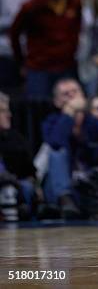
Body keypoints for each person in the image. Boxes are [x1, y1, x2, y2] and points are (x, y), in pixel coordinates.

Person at [42, 79, 98, 219]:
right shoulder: (51, 123)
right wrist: (68, 114)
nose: (71, 97)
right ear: (57, 101)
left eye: (75, 92)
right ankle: (66, 202)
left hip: (91, 185)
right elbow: (55, 145)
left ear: (83, 96)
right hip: (64, 185)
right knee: (57, 153)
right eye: (65, 94)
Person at [10, 0, 82, 101]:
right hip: (39, 67)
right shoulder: (32, 6)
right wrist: (21, 61)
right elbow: (14, 33)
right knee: (38, 108)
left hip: (66, 66)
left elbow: (76, 31)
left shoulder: (76, 3)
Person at [0, 92, 37, 221]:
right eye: (2, 111)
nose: (9, 115)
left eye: (8, 110)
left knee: (24, 187)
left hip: (17, 188)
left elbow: (30, 173)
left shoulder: (17, 139)